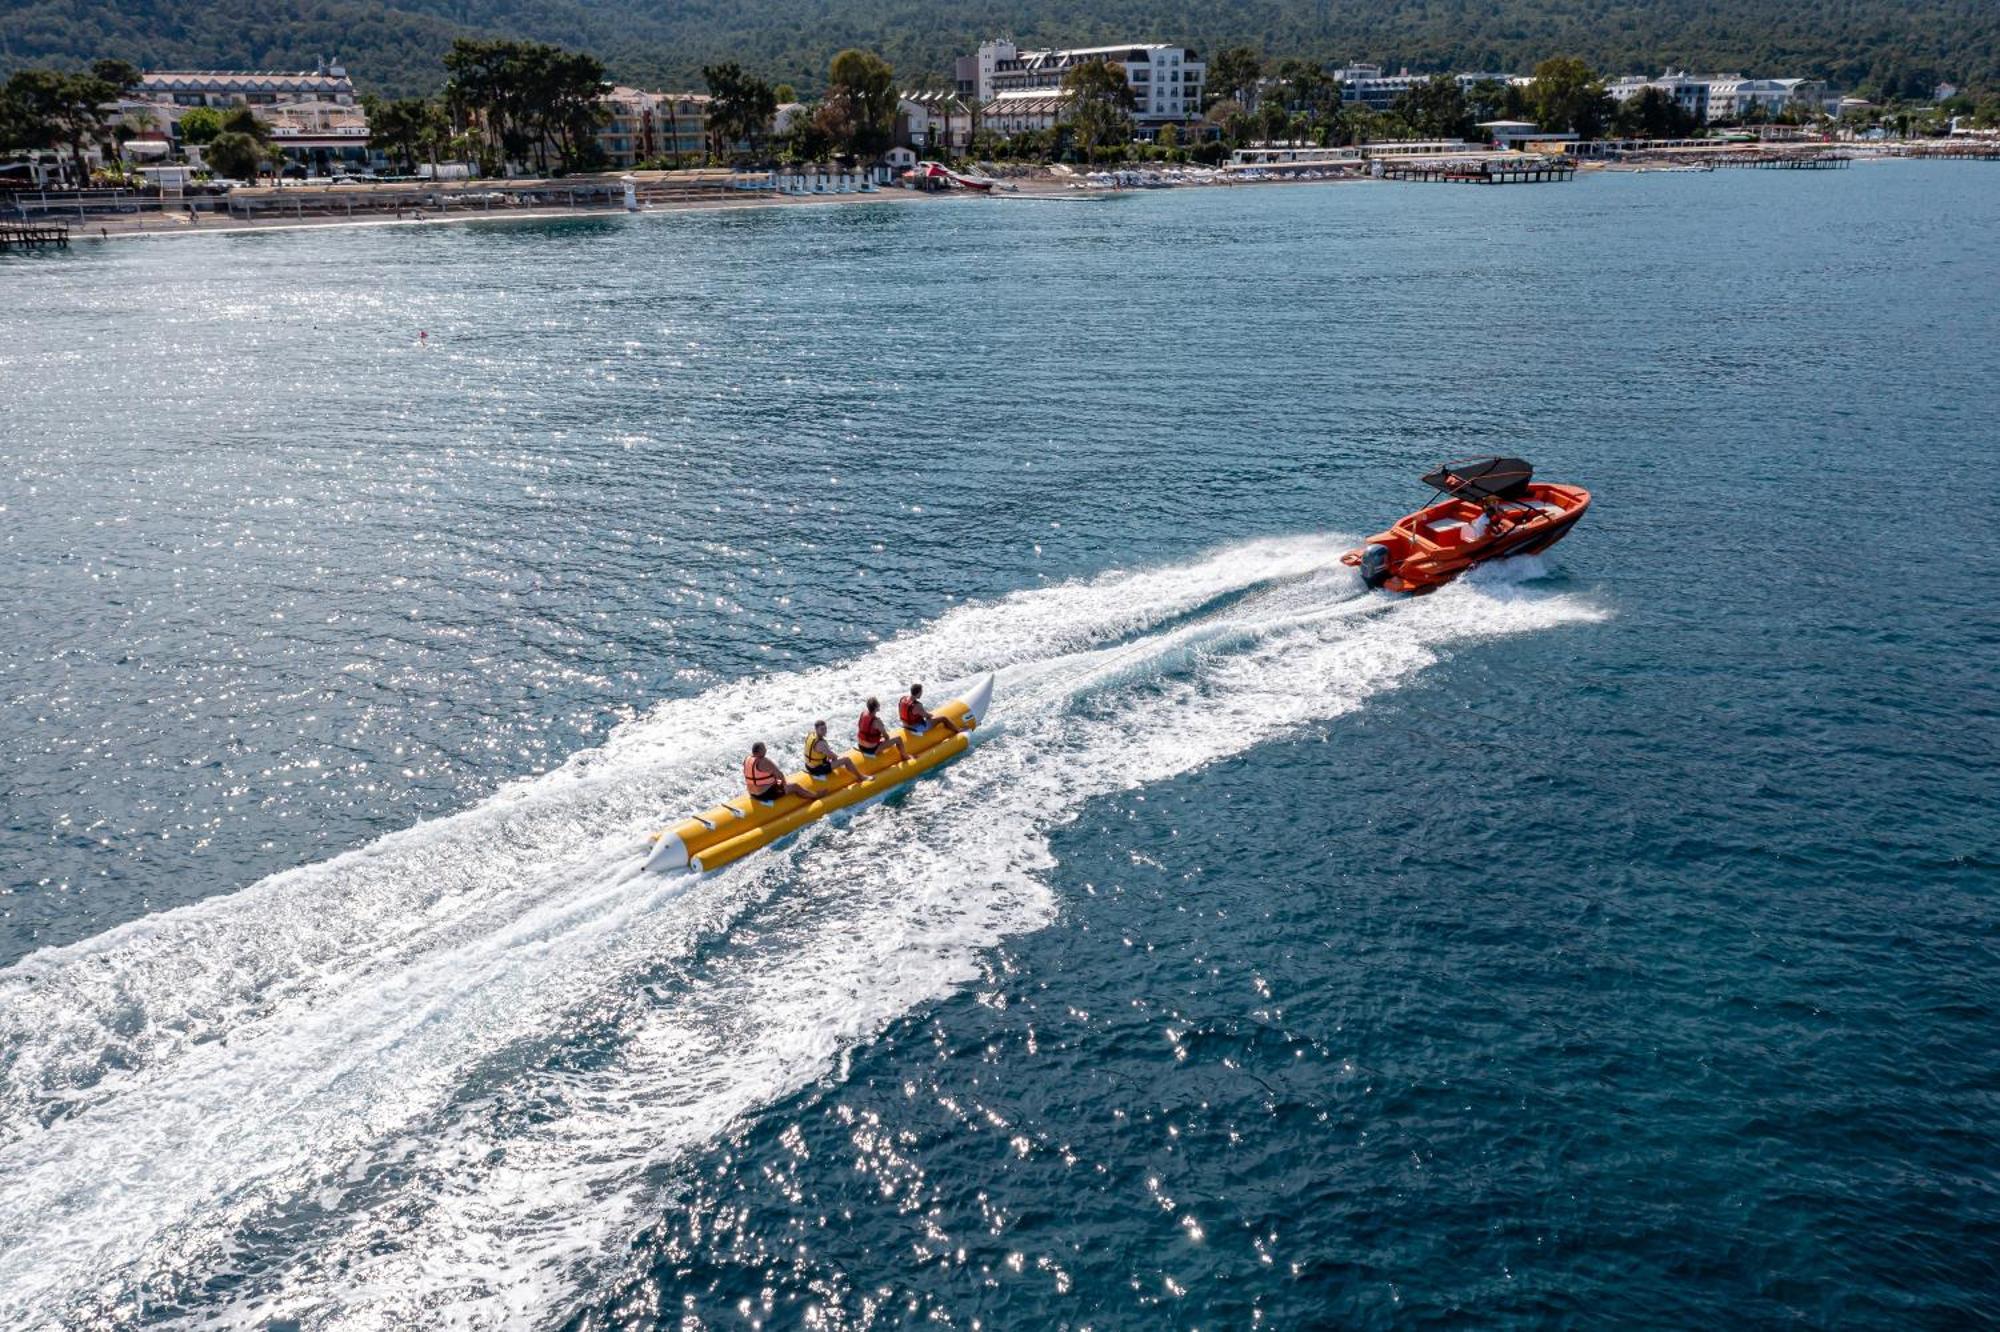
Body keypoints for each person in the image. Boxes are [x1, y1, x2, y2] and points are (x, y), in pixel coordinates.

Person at [742, 741, 820, 804]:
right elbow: (779, 775)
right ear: (759, 751)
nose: (766, 750)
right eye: (764, 748)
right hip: (764, 794)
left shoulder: (747, 759)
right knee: (795, 786)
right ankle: (815, 796)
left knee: (774, 781)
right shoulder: (764, 761)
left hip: (752, 793)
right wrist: (785, 787)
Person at [897, 682, 962, 737]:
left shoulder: (903, 699)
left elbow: (901, 713)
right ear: (918, 693)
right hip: (915, 728)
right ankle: (958, 730)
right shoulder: (917, 705)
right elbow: (927, 716)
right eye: (921, 692)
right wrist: (932, 716)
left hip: (905, 725)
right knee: (943, 718)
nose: (922, 693)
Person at [856, 697, 909, 764]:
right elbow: (886, 737)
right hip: (871, 750)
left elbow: (862, 727)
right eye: (878, 704)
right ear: (876, 708)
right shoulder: (877, 722)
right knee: (898, 739)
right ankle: (905, 756)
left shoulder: (863, 714)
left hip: (860, 746)